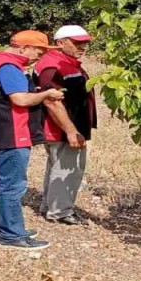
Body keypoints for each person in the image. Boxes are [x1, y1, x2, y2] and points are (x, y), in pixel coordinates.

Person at [0, 30, 64, 250]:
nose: (40, 56)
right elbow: (20, 99)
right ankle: (12, 236)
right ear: (23, 48)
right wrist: (47, 94)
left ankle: (0, 229)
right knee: (13, 186)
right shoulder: (8, 67)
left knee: (2, 183)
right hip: (13, 133)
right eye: (38, 51)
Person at [36, 24, 97, 226]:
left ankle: (50, 206)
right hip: (61, 128)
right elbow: (51, 101)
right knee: (68, 169)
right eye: (77, 42)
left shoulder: (66, 62)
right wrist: (71, 131)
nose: (83, 46)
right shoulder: (53, 65)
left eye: (85, 42)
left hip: (68, 126)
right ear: (61, 43)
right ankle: (60, 212)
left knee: (58, 166)